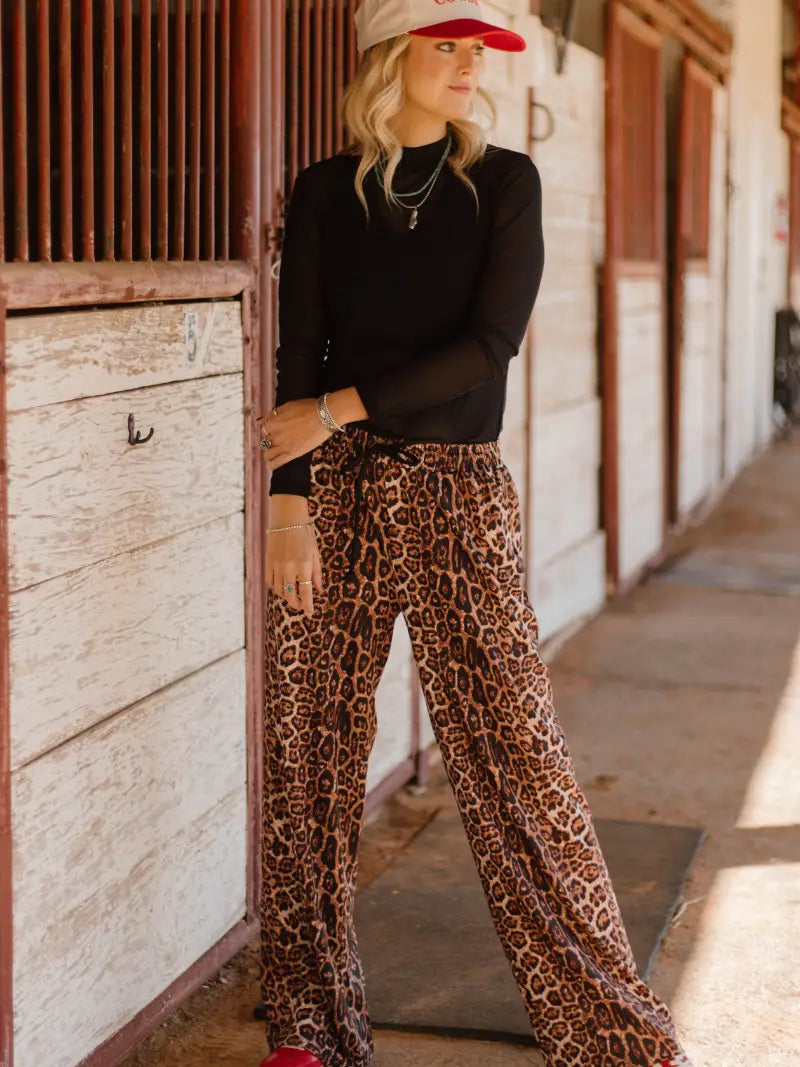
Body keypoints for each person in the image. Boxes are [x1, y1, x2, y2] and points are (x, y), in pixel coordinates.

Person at [256, 2, 694, 1066]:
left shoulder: (503, 184)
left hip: (456, 491)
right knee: (305, 753)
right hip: (334, 496)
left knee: (516, 758)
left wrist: (337, 410)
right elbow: (295, 357)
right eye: (444, 44)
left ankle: (610, 1031)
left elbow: (489, 346)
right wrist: (287, 505)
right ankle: (309, 1026)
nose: (467, 65)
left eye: (476, 48)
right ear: (389, 53)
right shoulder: (323, 192)